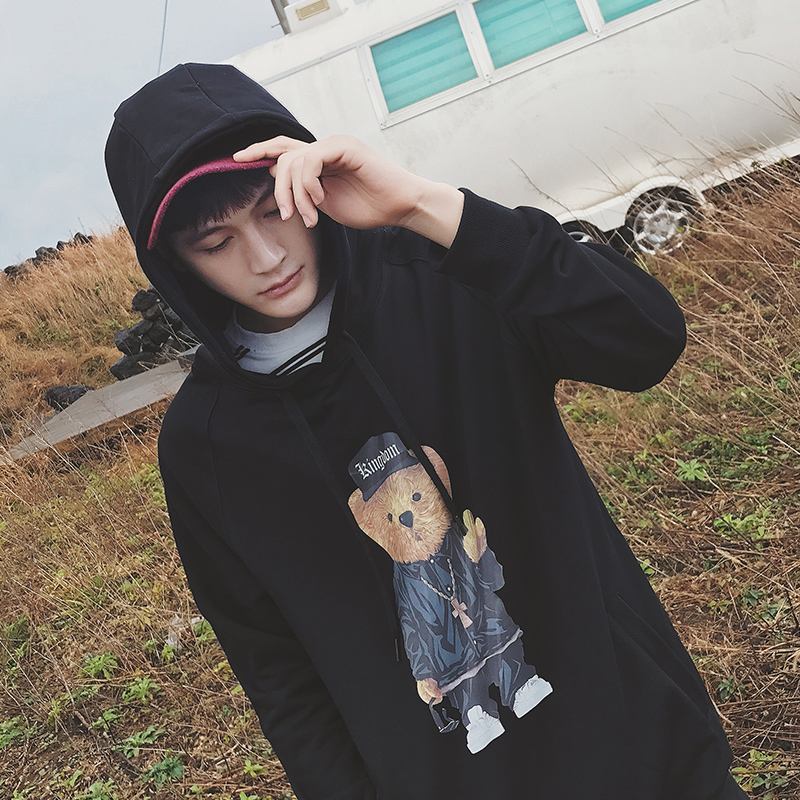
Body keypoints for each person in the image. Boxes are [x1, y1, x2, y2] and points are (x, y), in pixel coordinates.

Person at [105, 63, 747, 800]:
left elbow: (646, 340)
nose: (266, 257)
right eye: (216, 243)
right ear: (173, 264)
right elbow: (279, 676)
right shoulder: (207, 444)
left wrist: (422, 205)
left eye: (274, 208)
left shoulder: (444, 277)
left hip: (652, 756)